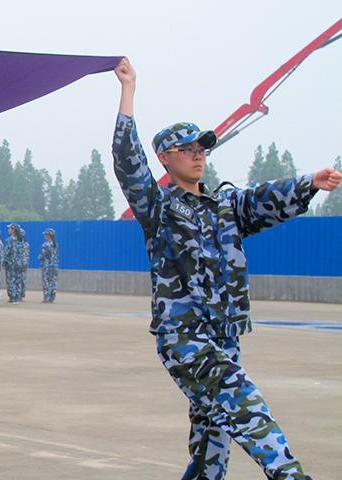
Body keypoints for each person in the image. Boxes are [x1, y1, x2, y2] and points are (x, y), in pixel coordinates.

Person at [113, 57, 340, 480]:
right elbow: (127, 161)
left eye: (202, 149)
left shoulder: (225, 205)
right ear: (165, 158)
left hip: (226, 335)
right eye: (188, 149)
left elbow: (262, 199)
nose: (199, 156)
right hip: (185, 338)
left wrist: (309, 182)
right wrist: (128, 90)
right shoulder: (158, 207)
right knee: (245, 405)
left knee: (212, 441)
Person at [39, 228, 58, 303]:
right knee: (53, 281)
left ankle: (46, 298)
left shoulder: (45, 244)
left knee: (46, 281)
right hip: (54, 265)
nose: (45, 236)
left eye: (46, 234)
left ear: (49, 235)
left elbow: (43, 254)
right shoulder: (55, 244)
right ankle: (52, 298)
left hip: (47, 265)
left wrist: (39, 258)